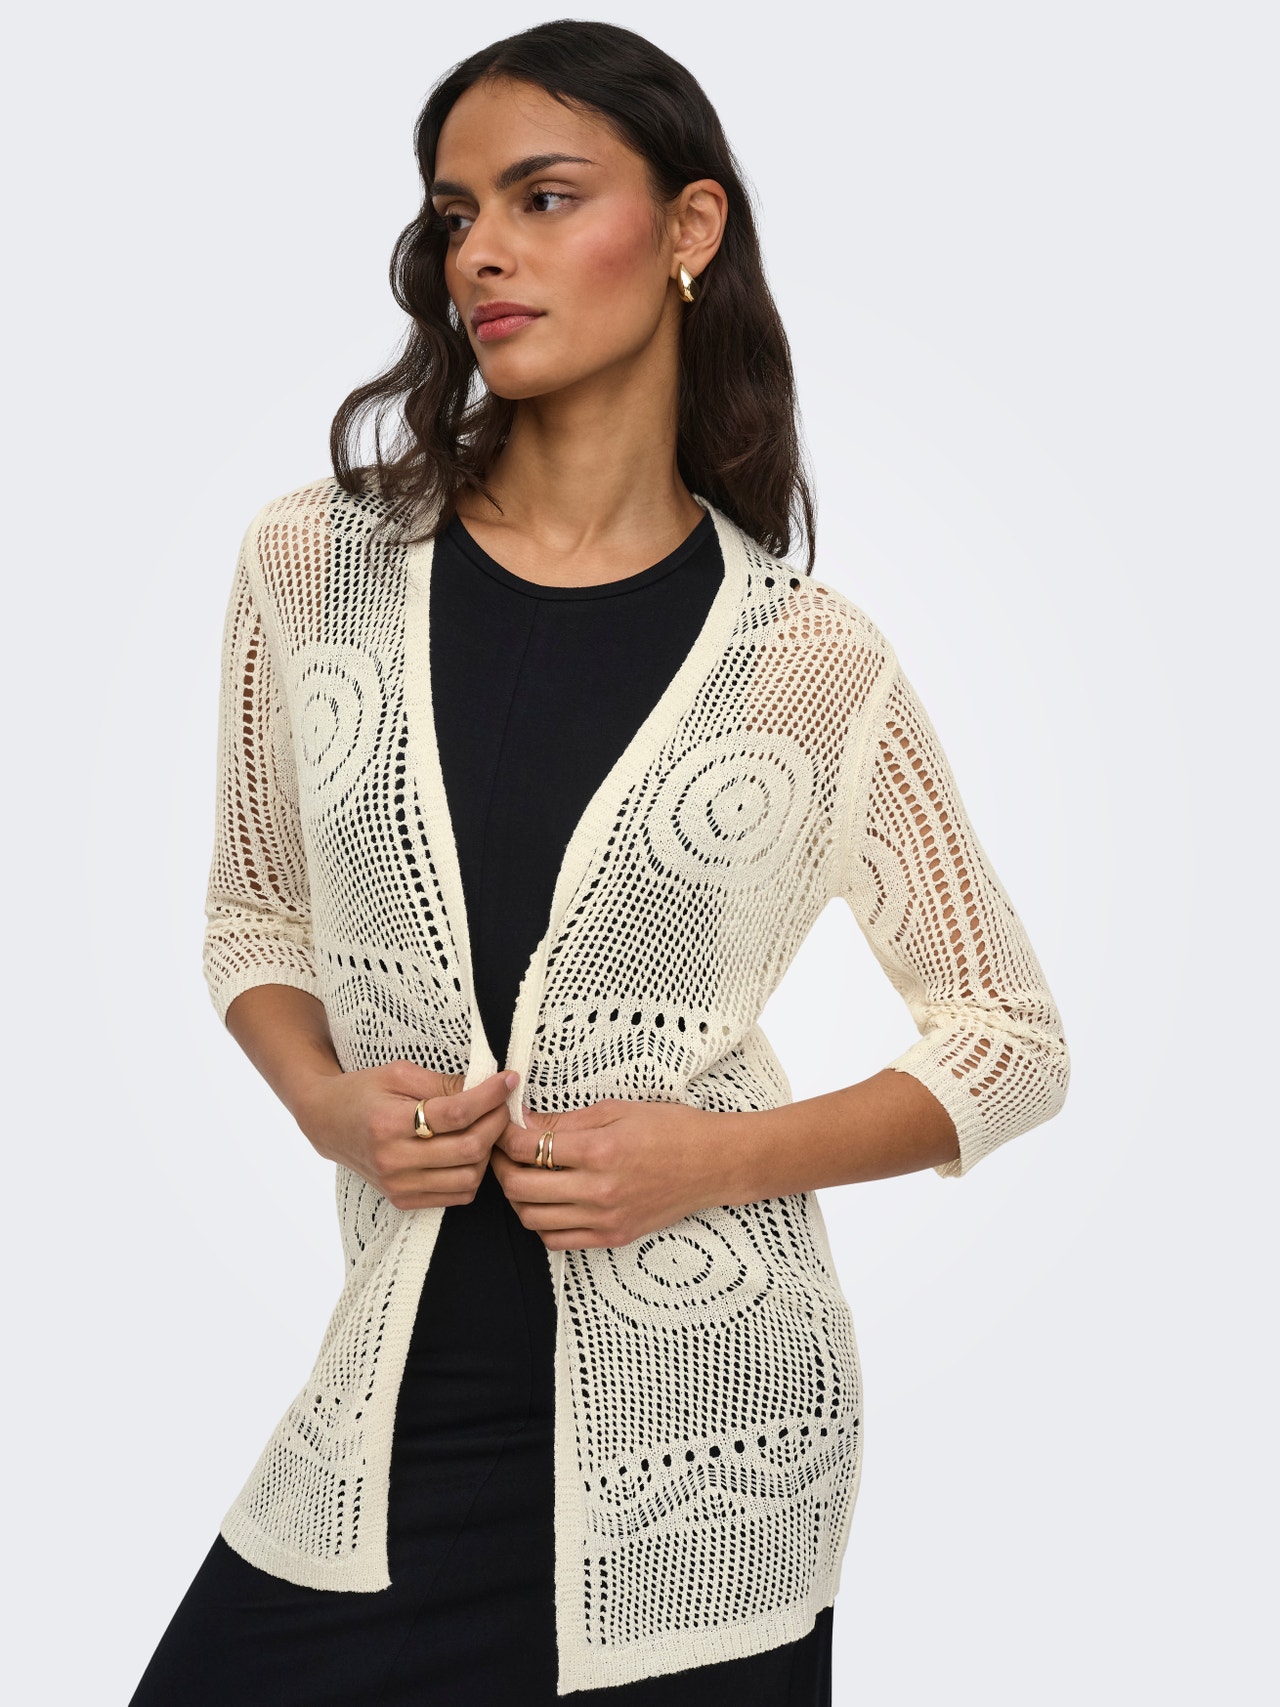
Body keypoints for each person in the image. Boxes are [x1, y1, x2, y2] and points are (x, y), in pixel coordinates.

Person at [128, 19, 1069, 1705]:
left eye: (543, 197)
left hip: (711, 1458)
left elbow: (1013, 1042)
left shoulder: (810, 664)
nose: (479, 252)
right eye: (456, 214)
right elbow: (255, 914)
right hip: (392, 1433)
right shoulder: (315, 566)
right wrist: (326, 1103)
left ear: (690, 227)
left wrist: (716, 1159)